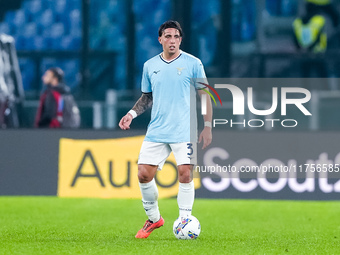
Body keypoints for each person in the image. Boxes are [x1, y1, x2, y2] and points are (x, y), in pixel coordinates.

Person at [119, 20, 212, 239]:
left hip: (184, 130)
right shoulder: (150, 66)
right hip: (158, 130)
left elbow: (205, 95)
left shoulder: (193, 63)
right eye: (168, 36)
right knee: (143, 174)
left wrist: (207, 126)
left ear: (181, 39)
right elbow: (147, 97)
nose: (172, 41)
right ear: (160, 39)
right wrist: (131, 114)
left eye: (176, 37)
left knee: (185, 173)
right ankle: (154, 219)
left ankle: (185, 221)